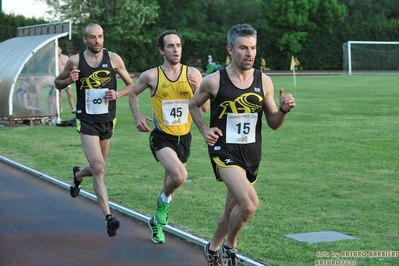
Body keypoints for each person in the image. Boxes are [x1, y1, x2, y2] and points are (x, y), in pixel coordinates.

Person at [188, 24, 296, 266]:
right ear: (230, 49)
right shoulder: (214, 81)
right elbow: (194, 105)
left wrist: (283, 110)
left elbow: (273, 123)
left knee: (231, 210)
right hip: (223, 151)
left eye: (253, 48)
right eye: (243, 48)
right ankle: (230, 245)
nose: (249, 53)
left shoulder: (264, 81)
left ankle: (212, 247)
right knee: (249, 204)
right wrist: (205, 129)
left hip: (251, 153)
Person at [129, 30, 209, 244]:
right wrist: (137, 116)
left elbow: (206, 107)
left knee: (172, 181)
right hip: (162, 137)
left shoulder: (193, 74)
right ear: (161, 50)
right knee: (181, 176)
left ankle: (156, 223)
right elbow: (133, 93)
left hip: (184, 137)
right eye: (171, 46)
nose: (176, 49)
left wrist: (196, 88)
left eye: (178, 45)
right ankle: (161, 208)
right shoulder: (152, 76)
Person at [54, 23, 134, 237]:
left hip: (108, 120)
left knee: (98, 167)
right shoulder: (75, 60)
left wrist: (117, 94)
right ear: (85, 40)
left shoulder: (114, 59)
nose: (97, 40)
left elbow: (130, 85)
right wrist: (68, 80)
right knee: (98, 169)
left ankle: (79, 174)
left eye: (100, 36)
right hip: (86, 120)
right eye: (92, 37)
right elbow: (57, 82)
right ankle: (109, 218)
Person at [49, 46, 76, 114]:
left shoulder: (66, 57)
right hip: (59, 78)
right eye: (56, 50)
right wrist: (53, 75)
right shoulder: (53, 59)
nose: (58, 51)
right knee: (59, 94)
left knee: (69, 94)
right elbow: (49, 68)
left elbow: (71, 66)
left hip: (66, 77)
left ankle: (73, 108)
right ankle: (60, 108)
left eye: (59, 49)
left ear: (61, 50)